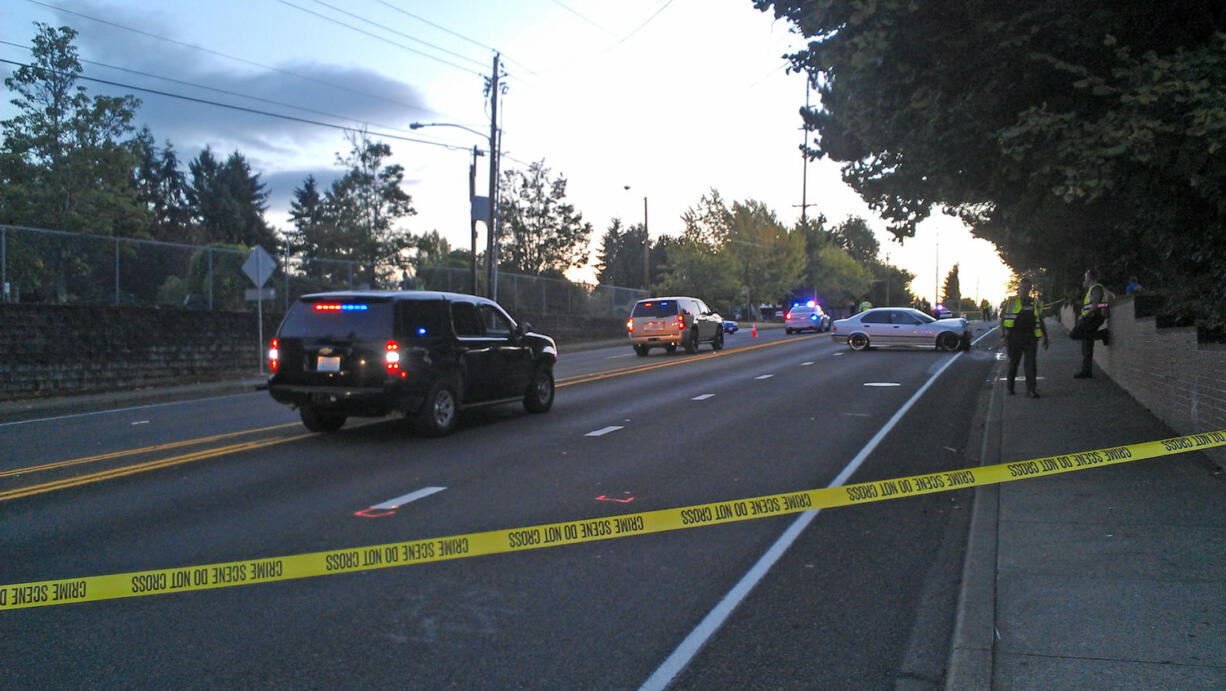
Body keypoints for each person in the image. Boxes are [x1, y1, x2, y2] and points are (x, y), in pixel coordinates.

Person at [1000, 277, 1049, 397]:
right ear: (1019, 288)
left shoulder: (1035, 303)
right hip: (1014, 337)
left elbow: (1040, 320)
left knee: (1031, 364)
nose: (1024, 290)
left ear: (1030, 289)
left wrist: (1046, 337)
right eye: (1022, 288)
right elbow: (1002, 320)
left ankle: (1031, 390)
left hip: (1031, 337)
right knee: (1013, 363)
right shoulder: (1011, 302)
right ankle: (1010, 388)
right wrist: (1003, 336)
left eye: (1027, 288)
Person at [1072, 268, 1110, 379]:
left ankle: (1103, 334)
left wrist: (1084, 316)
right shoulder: (1092, 289)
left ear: (1089, 278)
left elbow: (1094, 306)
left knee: (1075, 334)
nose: (1084, 279)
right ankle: (1086, 371)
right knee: (1087, 344)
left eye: (1085, 277)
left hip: (1093, 317)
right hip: (1093, 317)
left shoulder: (1096, 288)